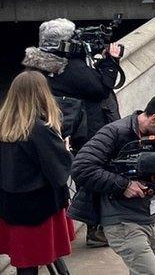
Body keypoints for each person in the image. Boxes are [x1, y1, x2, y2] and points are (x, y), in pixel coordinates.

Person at [21, 18, 123, 247]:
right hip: (88, 130)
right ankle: (96, 230)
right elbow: (100, 88)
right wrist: (111, 61)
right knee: (95, 174)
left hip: (57, 130)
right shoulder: (69, 67)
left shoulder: (36, 67)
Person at [70, 91, 155, 275]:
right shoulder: (115, 132)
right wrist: (124, 185)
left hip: (152, 217)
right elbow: (82, 167)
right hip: (123, 221)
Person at [0, 71, 74, 275]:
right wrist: (64, 149)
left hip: (10, 205)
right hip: (39, 207)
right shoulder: (39, 129)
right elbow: (58, 170)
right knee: (35, 260)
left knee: (24, 262)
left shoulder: (4, 126)